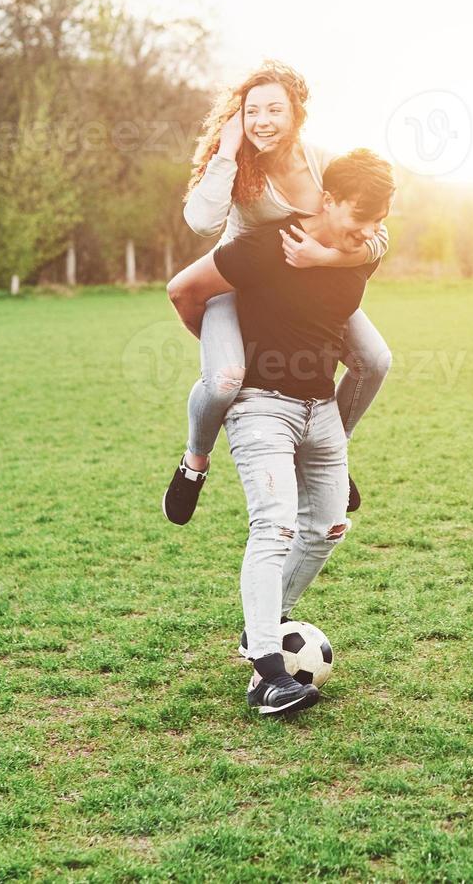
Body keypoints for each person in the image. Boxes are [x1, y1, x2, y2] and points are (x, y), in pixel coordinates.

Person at [166, 149, 393, 718]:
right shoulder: (264, 246)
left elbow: (367, 246)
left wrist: (334, 252)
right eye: (358, 220)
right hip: (262, 407)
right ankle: (268, 673)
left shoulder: (354, 252)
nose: (366, 234)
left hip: (321, 411)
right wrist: (221, 340)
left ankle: (260, 624)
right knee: (274, 526)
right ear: (329, 199)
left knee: (329, 526)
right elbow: (185, 289)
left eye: (374, 225)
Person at [163, 62, 392, 527]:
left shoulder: (324, 164)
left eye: (274, 110)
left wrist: (326, 260)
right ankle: (194, 462)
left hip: (309, 285)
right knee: (225, 378)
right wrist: (227, 149)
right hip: (241, 282)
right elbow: (202, 223)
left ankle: (332, 453)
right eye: (250, 112)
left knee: (376, 359)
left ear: (297, 115)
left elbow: (376, 237)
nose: (262, 121)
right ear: (237, 118)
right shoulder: (239, 166)